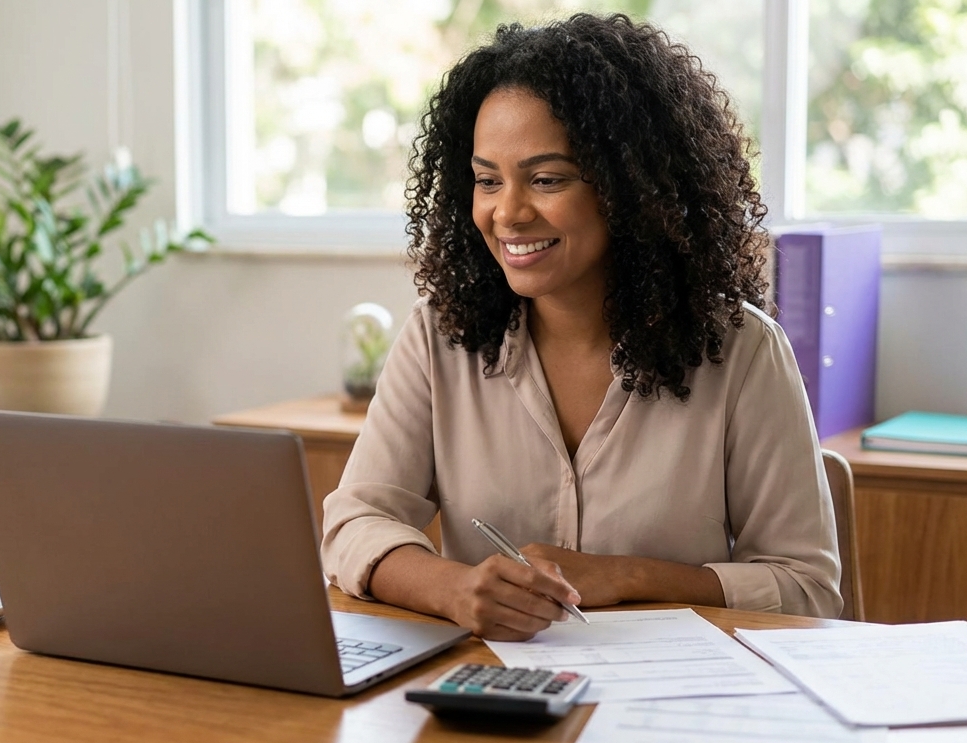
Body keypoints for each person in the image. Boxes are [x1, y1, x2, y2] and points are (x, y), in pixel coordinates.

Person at [320, 13, 842, 641]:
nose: (507, 213)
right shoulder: (441, 336)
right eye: (487, 181)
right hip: (493, 696)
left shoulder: (743, 351)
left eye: (546, 179)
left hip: (671, 702)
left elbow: (806, 589)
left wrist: (624, 576)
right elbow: (356, 523)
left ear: (630, 188)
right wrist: (455, 589)